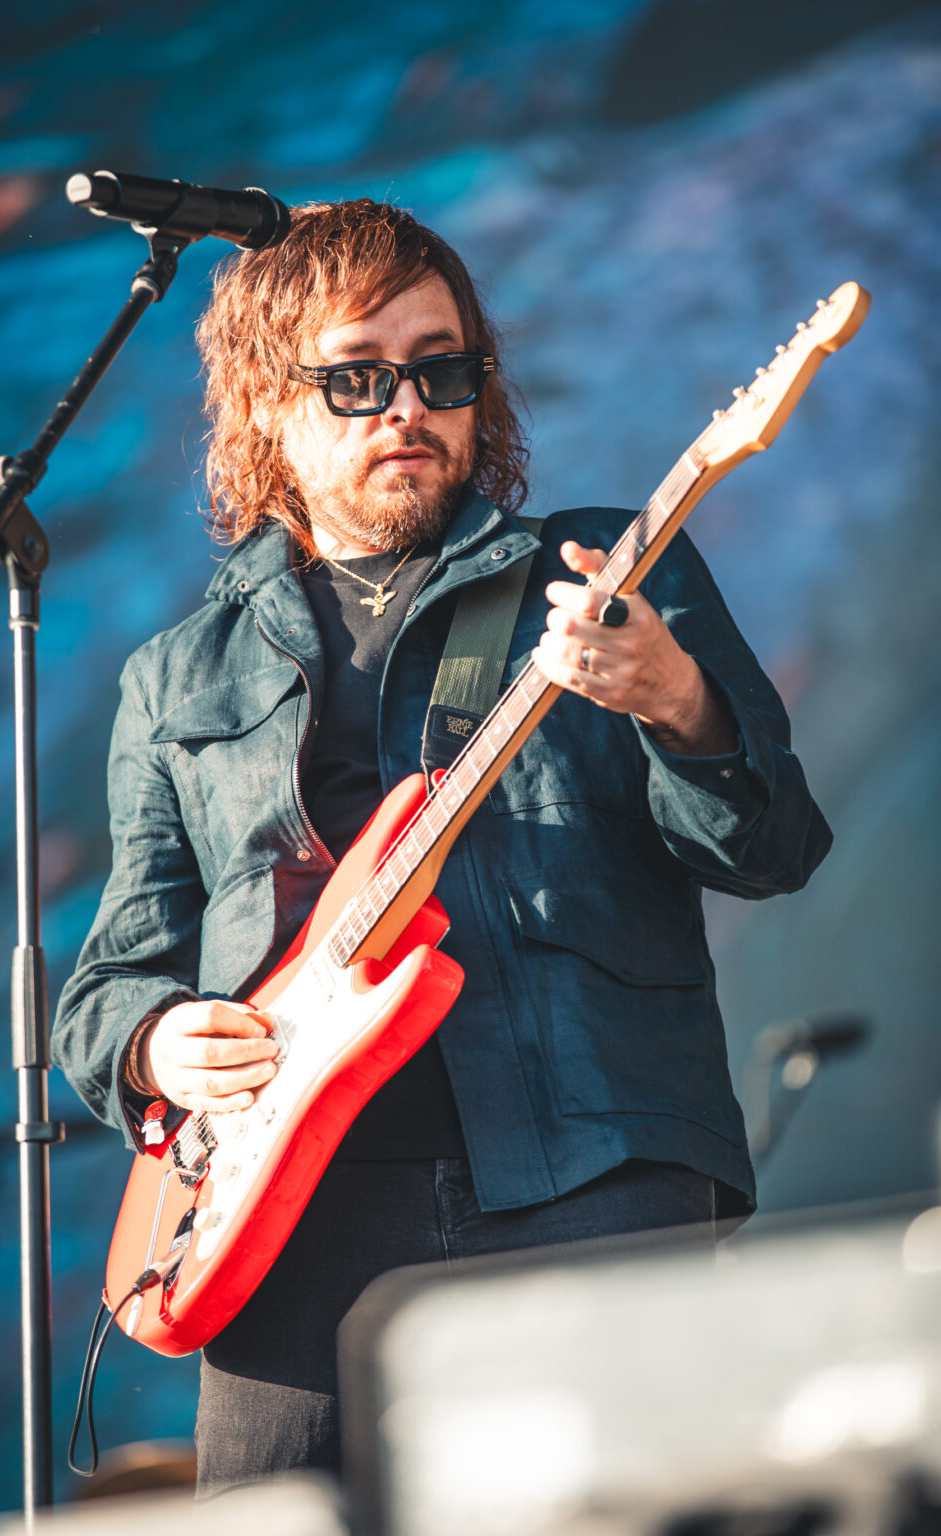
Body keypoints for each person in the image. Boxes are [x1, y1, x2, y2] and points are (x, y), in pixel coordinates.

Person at [52, 198, 831, 1493]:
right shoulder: (173, 677)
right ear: (264, 405)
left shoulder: (606, 577)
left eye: (440, 369)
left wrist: (673, 701)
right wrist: (154, 1043)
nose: (406, 405)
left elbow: (771, 846)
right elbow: (107, 986)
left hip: (589, 1168)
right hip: (282, 1219)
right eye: (357, 377)